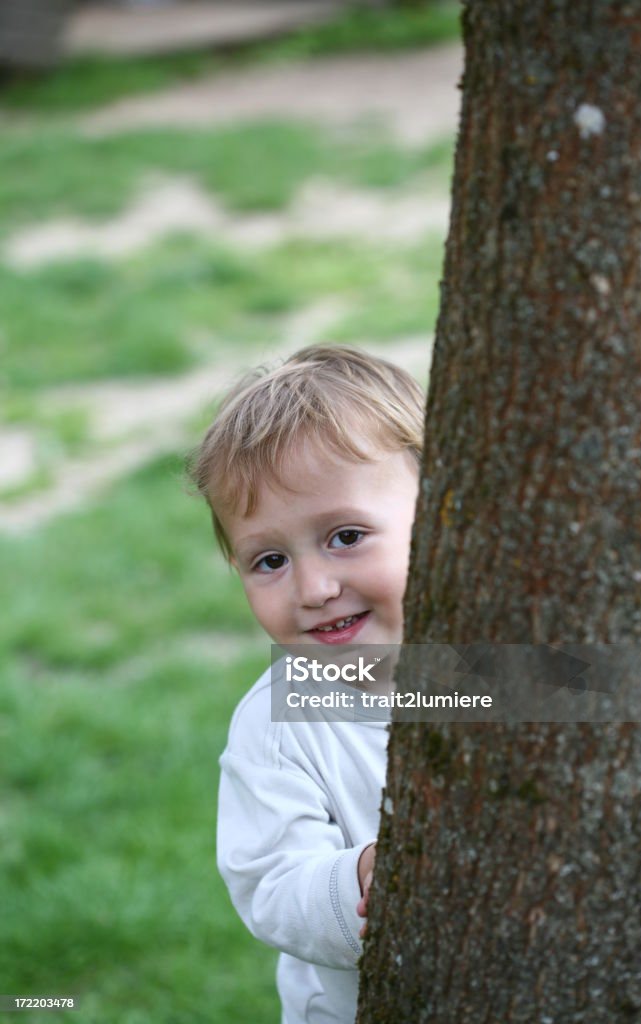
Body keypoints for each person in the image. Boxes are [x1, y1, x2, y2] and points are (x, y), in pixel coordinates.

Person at [188, 345, 424, 1024]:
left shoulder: (505, 657)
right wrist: (358, 882)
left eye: (346, 536)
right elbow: (269, 881)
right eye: (268, 559)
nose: (314, 588)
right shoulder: (276, 723)